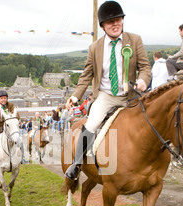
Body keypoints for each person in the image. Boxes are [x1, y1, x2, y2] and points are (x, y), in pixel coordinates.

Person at [64, 1, 151, 180]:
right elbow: (87, 75)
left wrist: (143, 80)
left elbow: (145, 67)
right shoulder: (94, 47)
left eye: (118, 19)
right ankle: (76, 164)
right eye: (110, 22)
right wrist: (75, 97)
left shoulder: (135, 40)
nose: (115, 24)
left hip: (131, 97)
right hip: (106, 96)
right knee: (91, 124)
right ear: (102, 26)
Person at [0, 90, 27, 166]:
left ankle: (22, 158)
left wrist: (10, 115)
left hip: (7, 129)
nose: (4, 100)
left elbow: (17, 116)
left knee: (20, 140)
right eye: (2, 98)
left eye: (5, 98)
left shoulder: (10, 105)